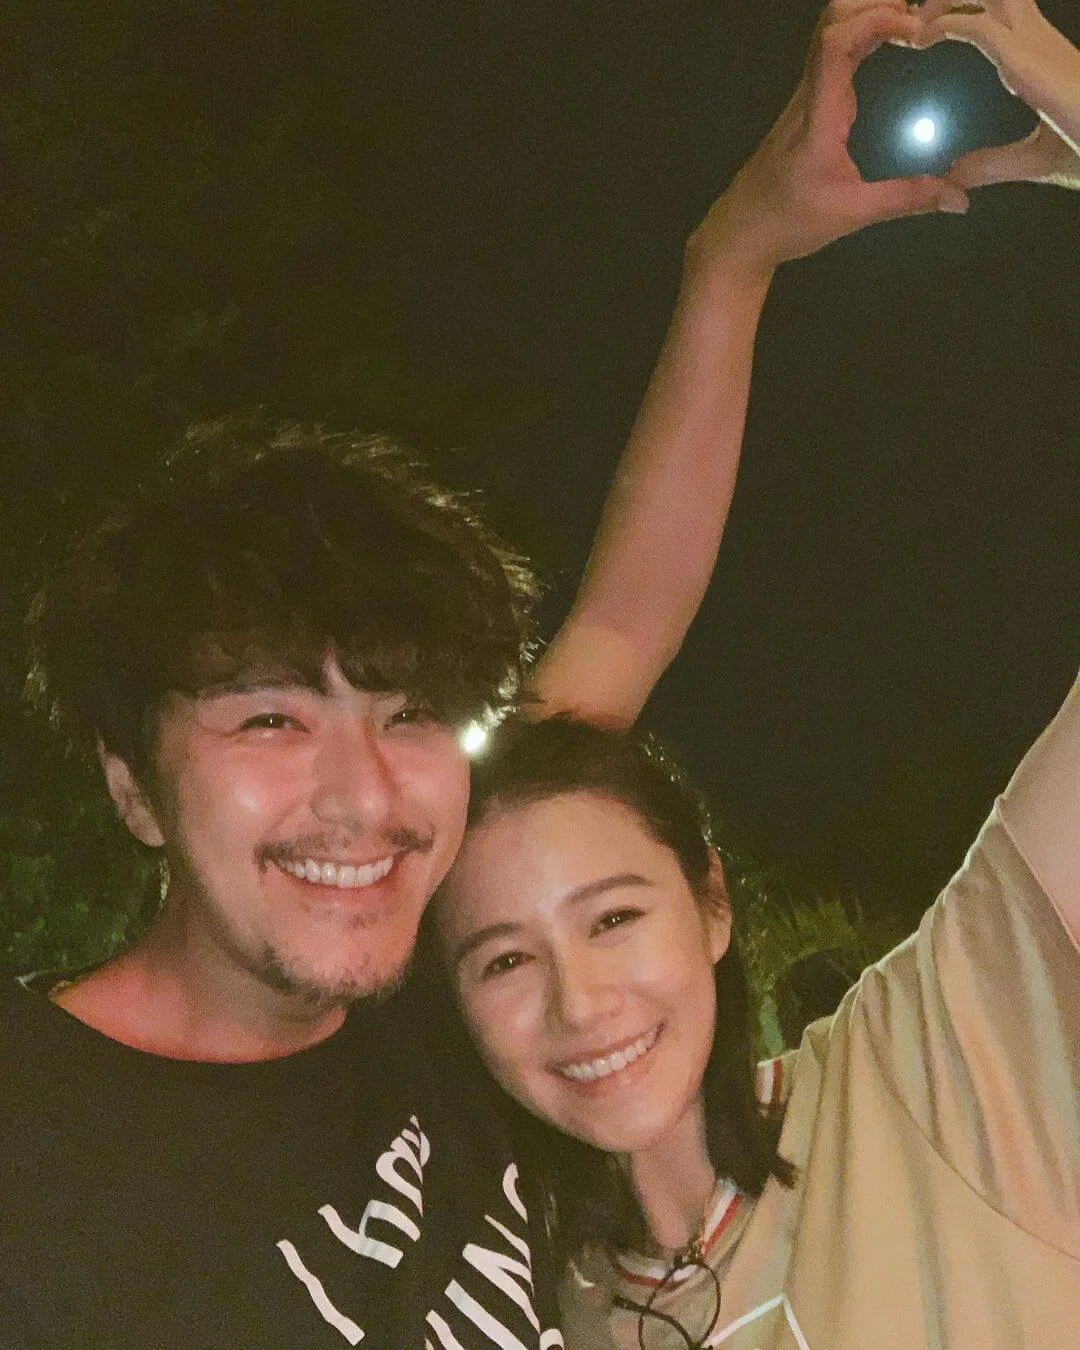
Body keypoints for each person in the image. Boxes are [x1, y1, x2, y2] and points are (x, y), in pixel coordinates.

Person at [0, 2, 982, 1344]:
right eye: (270, 717)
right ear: (132, 785)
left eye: (408, 713)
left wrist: (736, 255)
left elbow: (624, 624)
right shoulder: (36, 1150)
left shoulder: (440, 989)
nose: (363, 797)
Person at [433, 3, 1080, 1347]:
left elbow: (616, 645)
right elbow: (613, 641)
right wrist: (726, 261)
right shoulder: (512, 1292)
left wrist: (1070, 98)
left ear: (713, 900)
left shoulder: (939, 1069)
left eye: (616, 916)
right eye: (500, 958)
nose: (580, 1003)